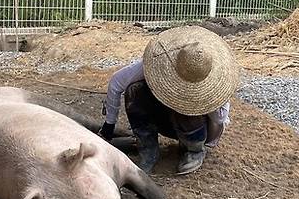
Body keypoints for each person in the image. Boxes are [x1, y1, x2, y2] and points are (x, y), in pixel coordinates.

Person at [98, 25, 240, 175]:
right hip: (164, 118)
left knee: (189, 104)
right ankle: (148, 148)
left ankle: (194, 149)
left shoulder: (217, 83)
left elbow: (220, 118)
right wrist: (109, 124)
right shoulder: (161, 61)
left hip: (197, 128)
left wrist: (204, 100)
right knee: (134, 90)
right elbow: (117, 82)